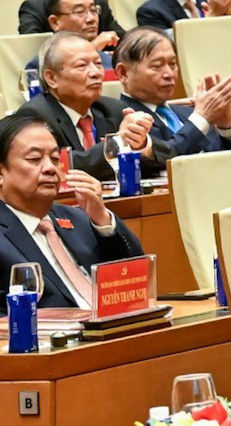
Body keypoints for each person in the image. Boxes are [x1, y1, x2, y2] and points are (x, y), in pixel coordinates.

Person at [0, 111, 146, 309]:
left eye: (54, 158)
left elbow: (137, 276)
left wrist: (102, 220)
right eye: (34, 159)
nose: (50, 168)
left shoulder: (78, 218)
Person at [24, 34, 153, 178]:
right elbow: (60, 166)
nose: (95, 73)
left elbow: (158, 159)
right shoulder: (35, 116)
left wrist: (140, 143)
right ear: (51, 78)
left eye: (98, 64)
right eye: (81, 66)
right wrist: (117, 142)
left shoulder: (112, 109)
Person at [114, 27, 231, 165]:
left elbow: (225, 161)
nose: (169, 74)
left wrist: (225, 127)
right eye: (157, 66)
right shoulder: (120, 119)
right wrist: (201, 118)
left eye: (173, 64)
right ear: (123, 73)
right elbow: (164, 159)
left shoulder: (189, 112)